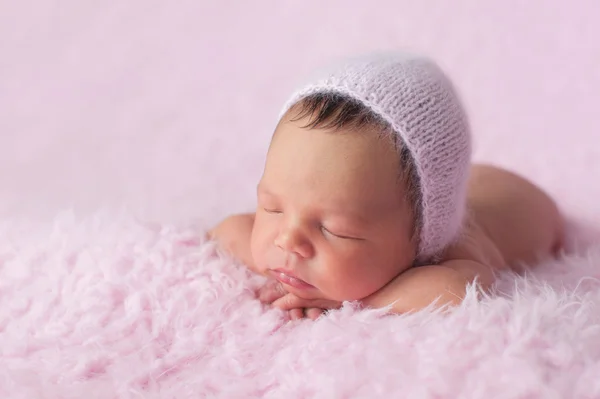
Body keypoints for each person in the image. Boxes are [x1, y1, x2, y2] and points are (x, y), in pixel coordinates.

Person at [209, 53, 563, 320]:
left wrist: (354, 301)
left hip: (516, 196)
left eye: (335, 230)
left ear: (420, 238)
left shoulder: (449, 250)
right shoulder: (327, 202)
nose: (286, 240)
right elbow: (228, 230)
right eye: (272, 207)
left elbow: (460, 290)